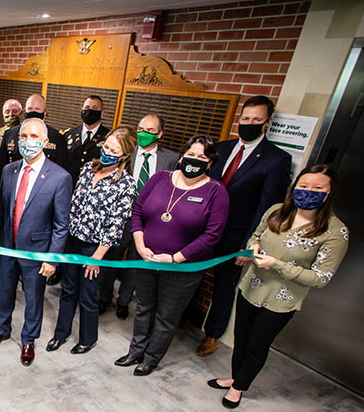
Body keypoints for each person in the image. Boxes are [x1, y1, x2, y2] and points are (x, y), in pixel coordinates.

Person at [209, 164, 348, 408]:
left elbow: (321, 277)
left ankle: (239, 387)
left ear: (329, 193)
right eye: (303, 186)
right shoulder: (276, 211)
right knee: (241, 338)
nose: (308, 191)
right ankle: (234, 376)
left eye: (317, 188)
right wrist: (252, 248)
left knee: (257, 345)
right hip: (251, 287)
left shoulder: (335, 232)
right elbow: (256, 235)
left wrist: (277, 264)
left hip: (281, 299)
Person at [115, 135, 229, 376]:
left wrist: (176, 257)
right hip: (146, 258)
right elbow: (137, 211)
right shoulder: (159, 179)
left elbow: (212, 235)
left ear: (210, 163)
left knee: (166, 316)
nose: (194, 160)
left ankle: (151, 358)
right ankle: (135, 351)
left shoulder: (216, 192)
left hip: (182, 268)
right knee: (144, 307)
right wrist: (139, 242)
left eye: (201, 157)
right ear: (182, 154)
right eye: (191, 154)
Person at [198, 95, 291, 357]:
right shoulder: (221, 148)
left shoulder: (275, 159)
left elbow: (267, 208)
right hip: (204, 230)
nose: (249, 123)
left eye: (256, 120)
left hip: (236, 237)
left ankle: (212, 334)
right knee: (190, 275)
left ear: (267, 123)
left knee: (224, 287)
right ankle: (182, 317)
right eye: (245, 118)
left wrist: (248, 245)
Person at [0, 117, 72, 367]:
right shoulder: (9, 171)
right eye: (23, 137)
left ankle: (28, 339)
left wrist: (52, 258)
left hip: (37, 251)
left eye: (34, 137)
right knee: (3, 292)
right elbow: (0, 212)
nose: (27, 142)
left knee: (33, 298)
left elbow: (60, 224)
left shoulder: (59, 177)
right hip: (7, 247)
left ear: (45, 142)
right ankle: (3, 328)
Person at [48, 126, 136, 355]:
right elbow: (74, 204)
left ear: (125, 156)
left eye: (113, 151)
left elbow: (117, 226)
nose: (106, 151)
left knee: (87, 295)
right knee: (68, 290)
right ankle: (61, 334)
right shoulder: (88, 168)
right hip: (73, 241)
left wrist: (97, 257)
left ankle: (88, 339)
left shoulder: (126, 185)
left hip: (95, 248)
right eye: (106, 146)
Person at [99, 113, 178, 319]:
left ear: (160, 134)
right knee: (111, 258)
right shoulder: (125, 152)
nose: (143, 133)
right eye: (140, 129)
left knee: (135, 263)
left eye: (150, 131)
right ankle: (104, 297)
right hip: (120, 218)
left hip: (148, 222)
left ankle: (124, 301)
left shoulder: (171, 159)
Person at [0, 94, 68, 184]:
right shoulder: (10, 134)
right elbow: (1, 168)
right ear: (25, 111)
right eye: (30, 109)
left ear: (45, 112)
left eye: (37, 109)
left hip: (43, 186)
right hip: (14, 184)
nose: (33, 112)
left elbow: (60, 170)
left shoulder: (56, 137)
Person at [63, 95, 110, 187]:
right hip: (68, 186)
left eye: (95, 108)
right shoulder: (69, 134)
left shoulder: (109, 137)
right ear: (82, 110)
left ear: (102, 112)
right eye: (87, 107)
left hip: (93, 188)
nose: (90, 111)